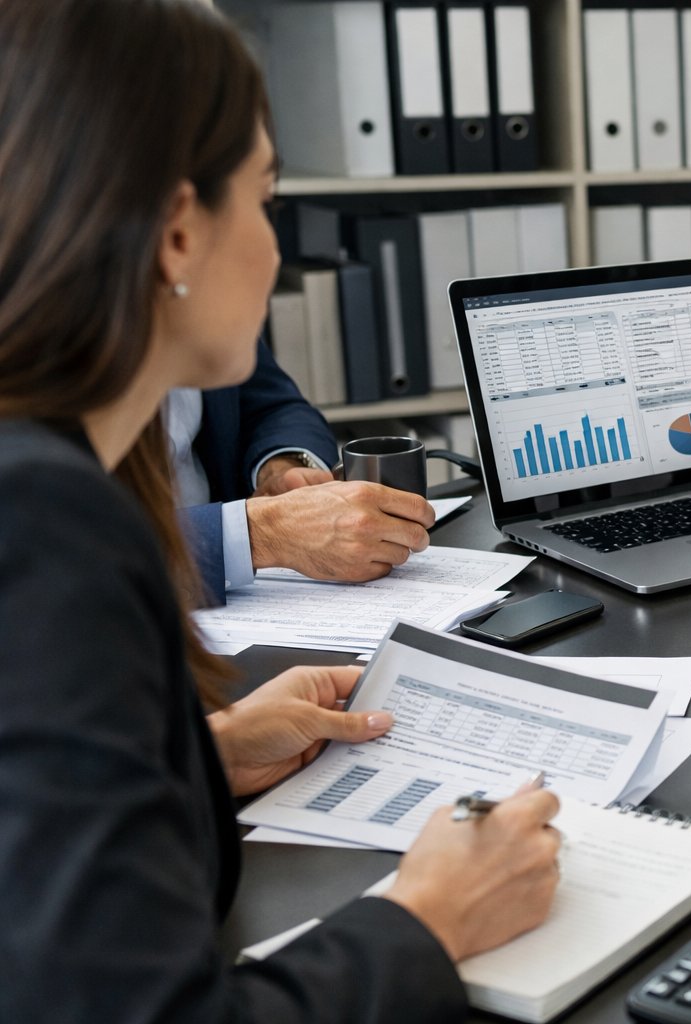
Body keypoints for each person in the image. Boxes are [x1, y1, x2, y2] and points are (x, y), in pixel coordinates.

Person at [0, 1, 560, 1018]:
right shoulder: (45, 523)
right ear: (179, 233)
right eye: (264, 200)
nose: (277, 247)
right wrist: (431, 917)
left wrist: (198, 754)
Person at [171, 345, 439, 603]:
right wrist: (262, 533)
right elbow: (140, 546)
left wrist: (282, 466)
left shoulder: (208, 321)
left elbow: (271, 404)